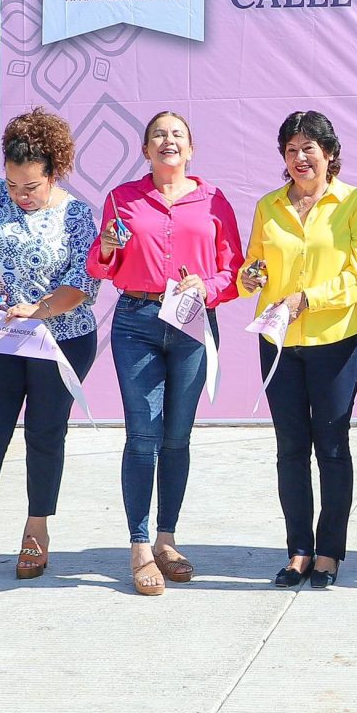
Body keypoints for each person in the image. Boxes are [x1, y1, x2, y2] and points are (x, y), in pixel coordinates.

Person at [0, 109, 101, 587]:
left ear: (54, 172)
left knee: (45, 436)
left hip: (62, 340)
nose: (20, 195)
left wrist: (42, 309)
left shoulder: (76, 213)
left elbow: (84, 282)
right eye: (13, 185)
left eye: (31, 187)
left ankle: (36, 531)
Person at [88, 111, 244, 596]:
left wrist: (210, 284)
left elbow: (233, 268)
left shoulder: (214, 200)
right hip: (137, 321)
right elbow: (100, 265)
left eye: (177, 134)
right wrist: (110, 246)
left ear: (191, 149)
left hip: (193, 322)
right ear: (145, 150)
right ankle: (138, 546)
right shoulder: (123, 199)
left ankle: (166, 540)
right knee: (142, 434)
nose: (168, 140)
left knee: (177, 437)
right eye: (158, 134)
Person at [241, 111, 357, 588]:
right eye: (292, 149)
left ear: (330, 153)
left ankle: (329, 554)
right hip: (279, 342)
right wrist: (249, 277)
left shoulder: (355, 202)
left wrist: (308, 298)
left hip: (336, 341)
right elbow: (251, 269)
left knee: (333, 447)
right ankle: (298, 551)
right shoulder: (268, 205)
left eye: (310, 149)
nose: (300, 158)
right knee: (290, 449)